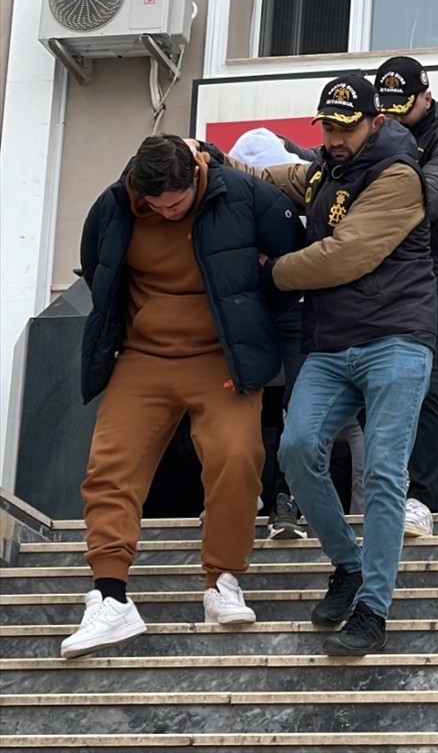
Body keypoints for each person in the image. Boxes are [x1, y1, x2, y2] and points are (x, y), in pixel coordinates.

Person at [202, 74, 436, 655]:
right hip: (333, 344)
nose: (332, 136)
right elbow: (267, 176)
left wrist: (267, 271)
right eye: (326, 126)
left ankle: (372, 609)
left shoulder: (399, 178)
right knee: (296, 450)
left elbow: (344, 256)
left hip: (396, 339)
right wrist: (214, 159)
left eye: (345, 126)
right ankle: (349, 566)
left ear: (376, 121)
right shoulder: (326, 172)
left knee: (383, 471)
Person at [61, 134, 305, 659]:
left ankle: (222, 581)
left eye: (178, 202)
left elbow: (293, 268)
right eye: (156, 205)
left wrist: (263, 338)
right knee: (110, 467)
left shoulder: (246, 195)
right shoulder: (113, 206)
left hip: (222, 355)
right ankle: (109, 596)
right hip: (143, 357)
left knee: (237, 458)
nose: (168, 212)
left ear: (195, 175)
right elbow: (97, 270)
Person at [226, 128, 366, 537]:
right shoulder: (234, 202)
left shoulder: (315, 193)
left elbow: (332, 254)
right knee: (244, 404)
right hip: (256, 311)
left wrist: (273, 265)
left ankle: (287, 501)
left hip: (303, 312)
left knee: (296, 409)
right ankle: (238, 492)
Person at [375, 56, 438, 532]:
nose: (395, 117)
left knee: (431, 385)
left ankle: (422, 497)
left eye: (403, 107)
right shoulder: (365, 145)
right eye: (386, 110)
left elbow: (424, 202)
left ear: (427, 97)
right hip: (385, 279)